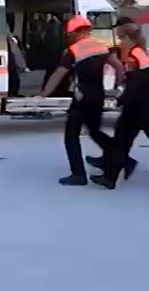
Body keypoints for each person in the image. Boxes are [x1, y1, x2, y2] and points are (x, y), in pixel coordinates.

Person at [92, 23, 149, 190]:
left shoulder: (134, 56)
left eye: (121, 38)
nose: (120, 42)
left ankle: (110, 177)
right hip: (148, 105)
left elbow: (137, 82)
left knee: (121, 141)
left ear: (128, 38)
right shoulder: (143, 52)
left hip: (136, 107)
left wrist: (121, 99)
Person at [38, 15, 120, 186]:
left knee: (71, 136)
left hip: (82, 97)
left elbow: (58, 74)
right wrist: (119, 83)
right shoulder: (102, 47)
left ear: (74, 33)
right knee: (95, 131)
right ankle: (121, 158)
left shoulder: (73, 51)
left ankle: (78, 175)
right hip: (98, 95)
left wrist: (45, 93)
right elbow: (118, 66)